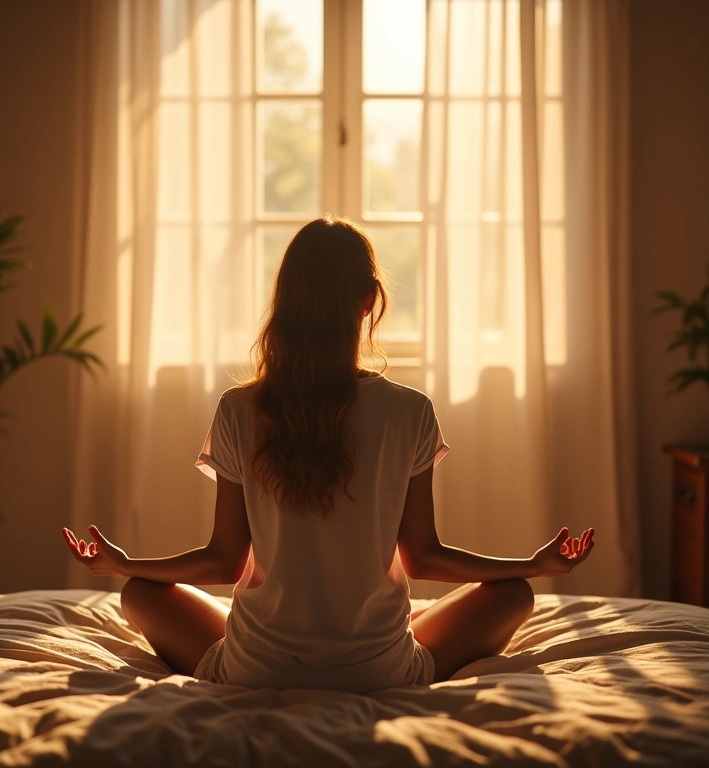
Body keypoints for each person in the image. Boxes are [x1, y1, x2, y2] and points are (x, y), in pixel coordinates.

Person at [63, 214, 594, 692]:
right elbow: (424, 557)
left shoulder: (239, 409)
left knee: (138, 592)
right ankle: (365, 634)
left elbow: (224, 560)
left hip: (256, 667)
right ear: (369, 300)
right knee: (515, 595)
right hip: (378, 672)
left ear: (285, 300)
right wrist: (532, 562)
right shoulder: (409, 411)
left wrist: (124, 562)